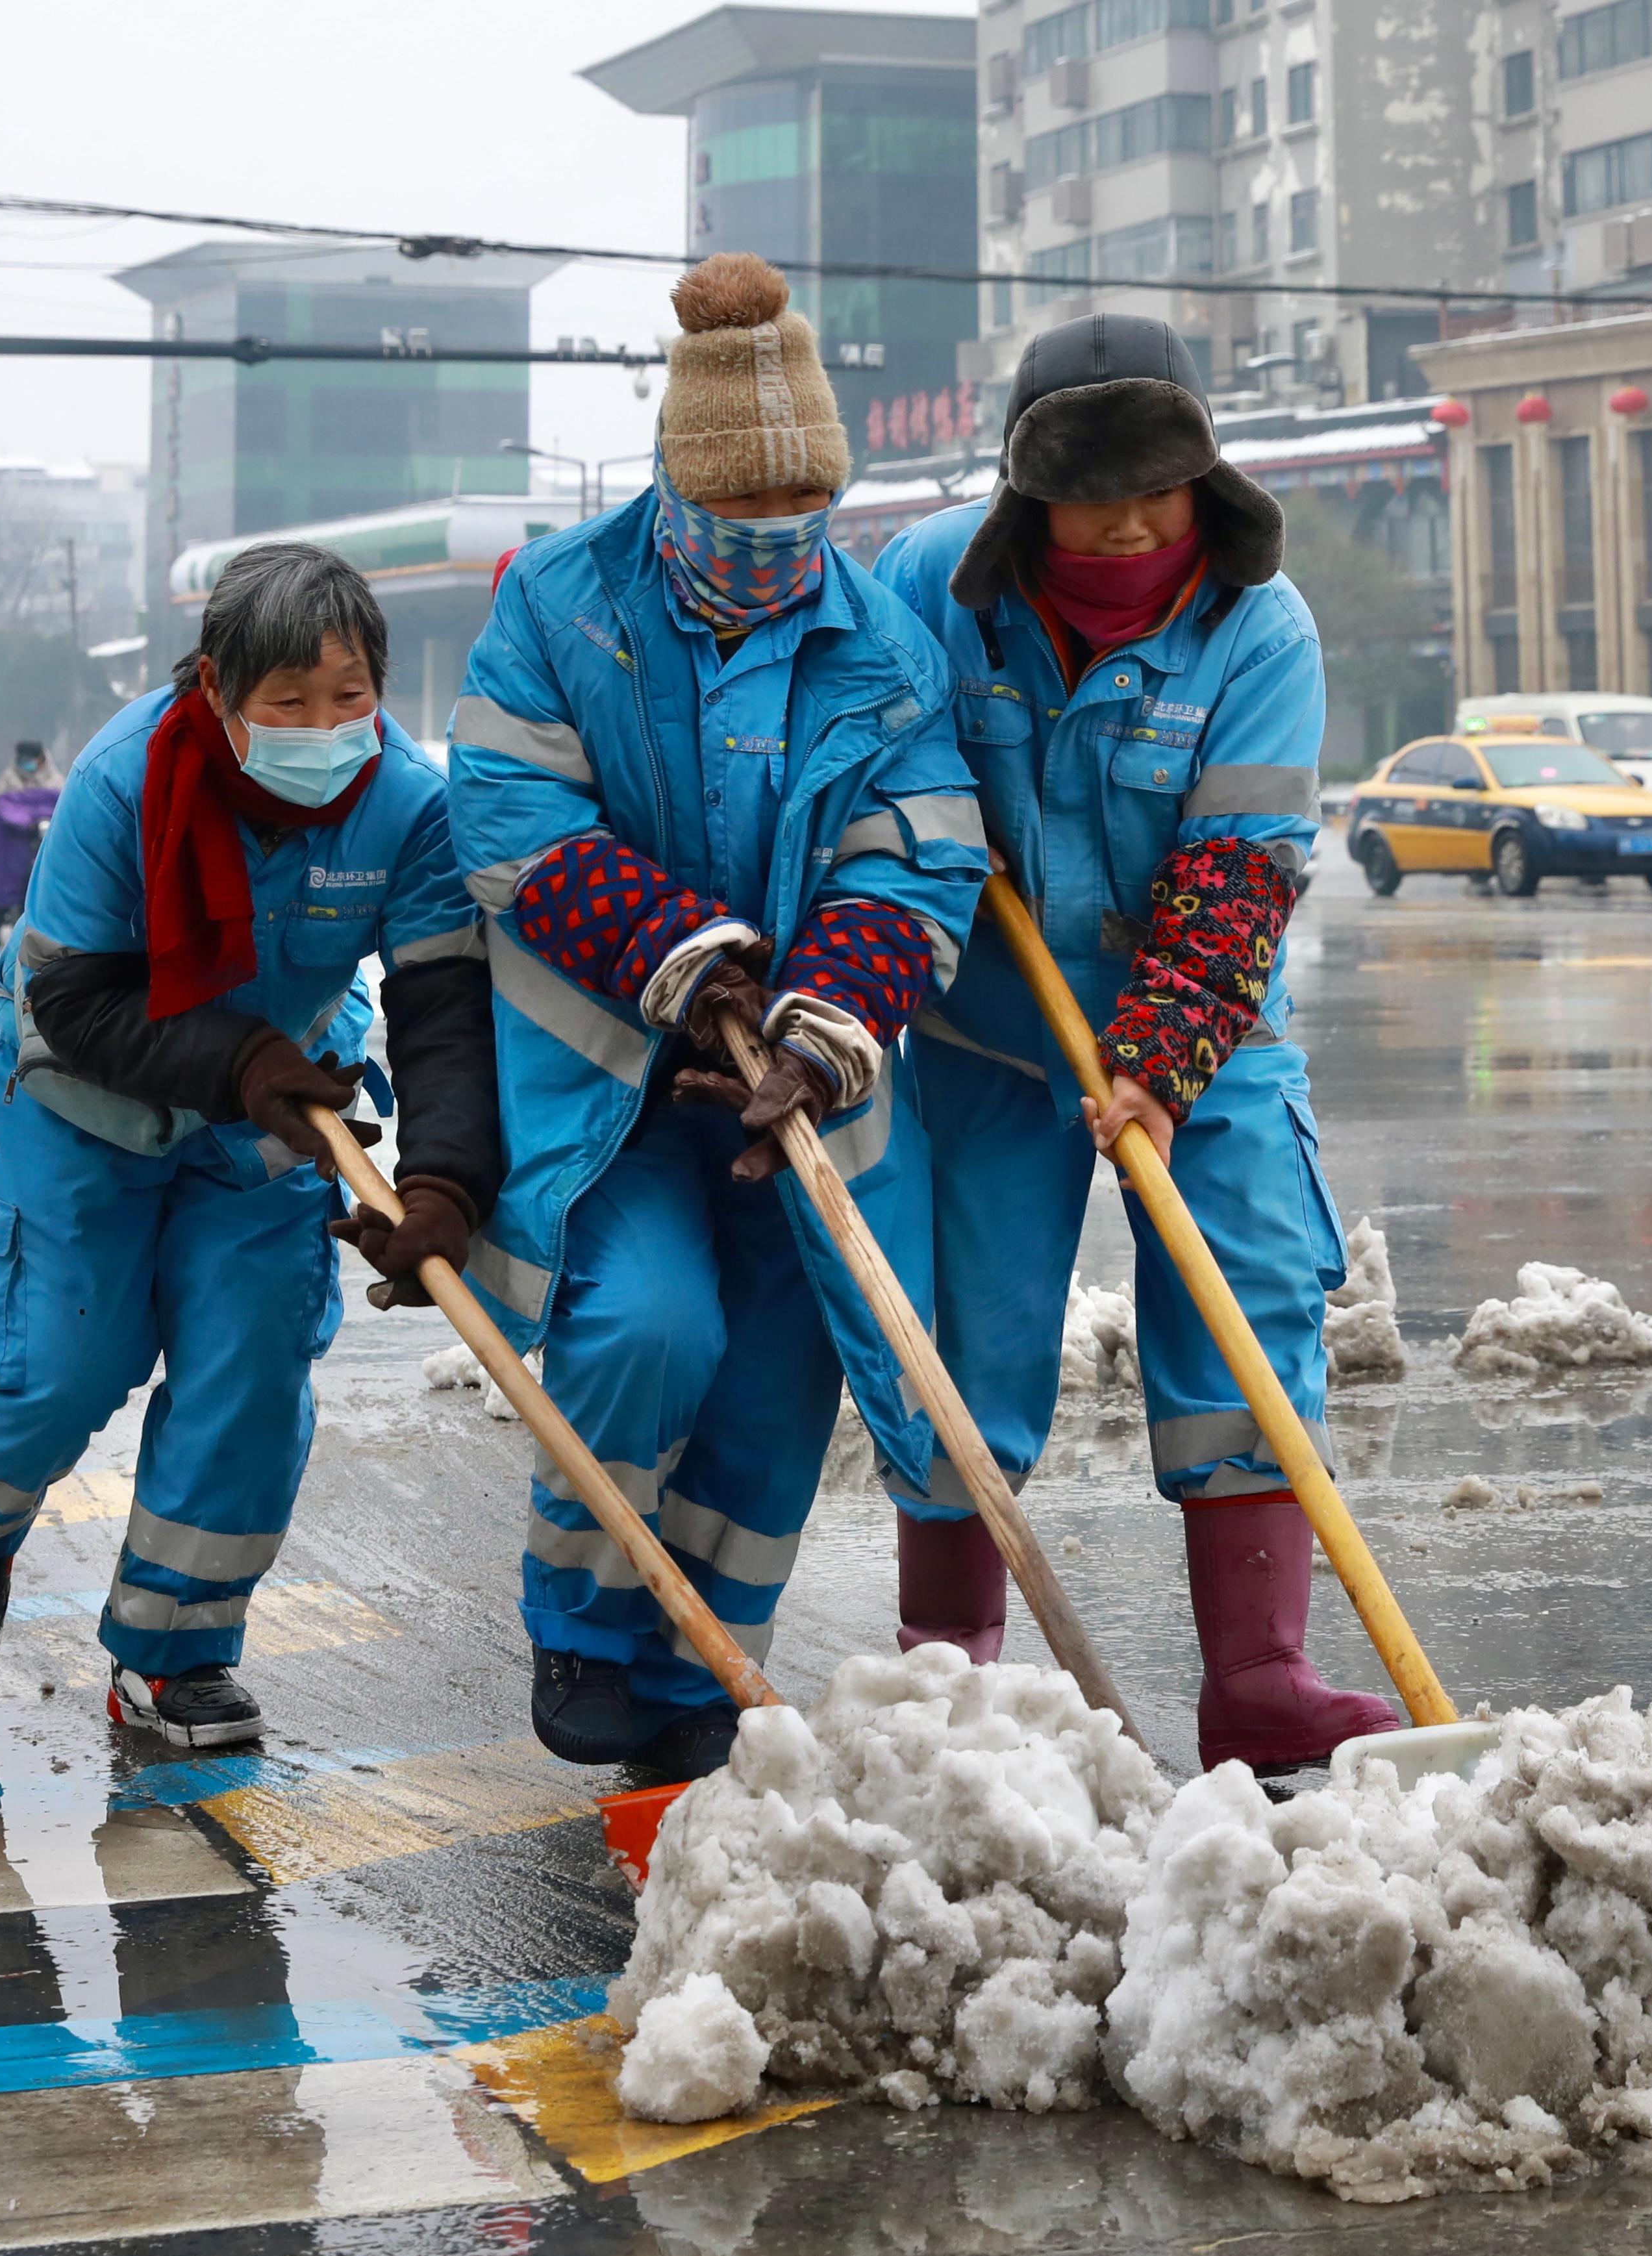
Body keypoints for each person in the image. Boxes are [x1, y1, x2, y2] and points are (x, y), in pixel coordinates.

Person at [449, 253, 985, 1783]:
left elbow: (920, 852)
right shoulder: (559, 602)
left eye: (797, 520)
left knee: (775, 1371)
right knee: (645, 1324)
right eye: (736, 521)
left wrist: (823, 1021)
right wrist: (675, 951)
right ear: (674, 492)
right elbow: (504, 807)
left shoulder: (885, 647)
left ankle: (702, 1654)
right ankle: (585, 1619)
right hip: (614, 1063)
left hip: (794, 1079)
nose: (769, 550)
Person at [874, 314, 1399, 1777]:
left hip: (1206, 1020)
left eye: (1153, 490)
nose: (1123, 521)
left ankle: (1261, 1678)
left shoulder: (1256, 625)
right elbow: (860, 757)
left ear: (1202, 482)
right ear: (1022, 496)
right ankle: (952, 1662)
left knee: (1245, 1299)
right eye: (1087, 492)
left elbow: (1239, 866)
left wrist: (1159, 1067)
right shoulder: (929, 586)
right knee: (966, 1326)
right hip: (985, 1026)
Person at [0, 542, 501, 1748]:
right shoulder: (126, 781)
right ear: (216, 690)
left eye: (350, 697)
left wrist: (441, 1181)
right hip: (89, 1099)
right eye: (287, 703)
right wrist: (236, 1059)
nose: (324, 727)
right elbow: (73, 1001)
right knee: (60, 1365)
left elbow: (444, 1005)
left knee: (251, 1374)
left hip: (278, 1114)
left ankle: (173, 1656)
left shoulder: (411, 803)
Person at [0, 740, 58, 940]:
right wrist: (22, 819)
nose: (28, 764)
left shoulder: (55, 780)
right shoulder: (9, 780)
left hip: (43, 839)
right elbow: (1, 807)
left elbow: (61, 805)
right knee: (6, 884)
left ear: (41, 760)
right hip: (13, 840)